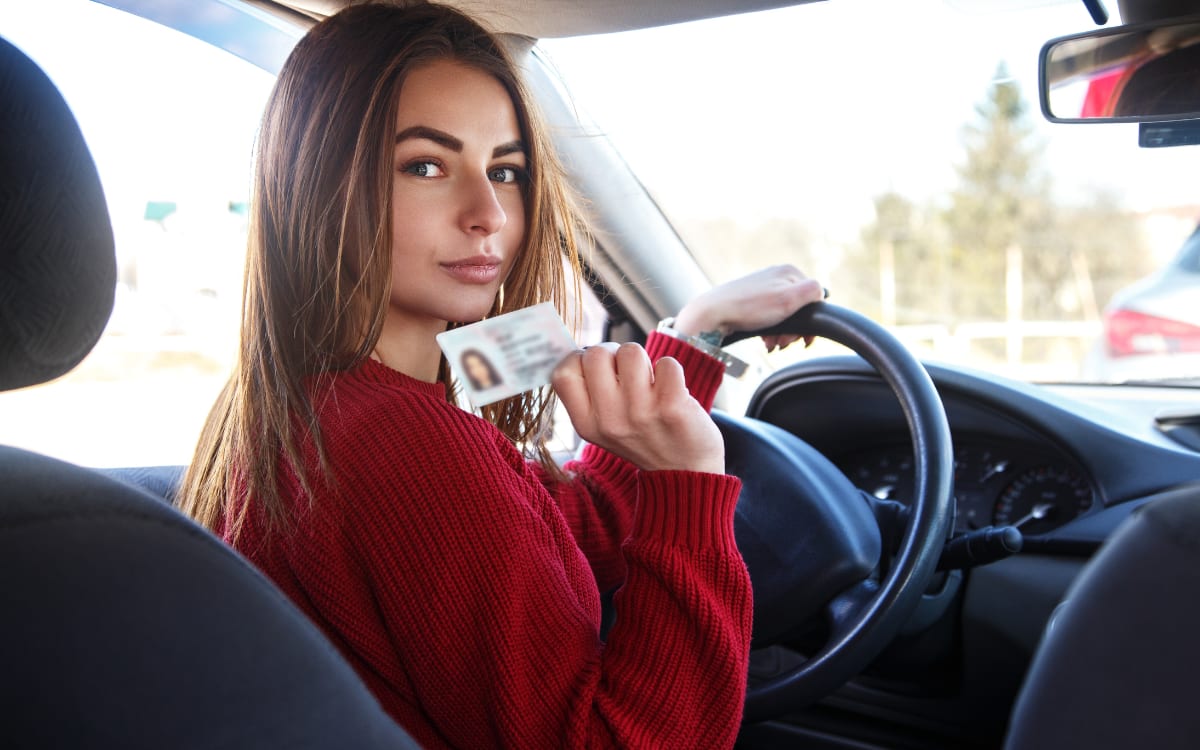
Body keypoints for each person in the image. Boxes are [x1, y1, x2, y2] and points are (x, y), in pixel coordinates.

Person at [178, 3, 824, 748]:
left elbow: (567, 526)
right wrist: (691, 479)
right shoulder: (408, 439)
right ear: (320, 184)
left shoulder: (325, 390)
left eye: (506, 170)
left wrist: (693, 333)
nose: (488, 212)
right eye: (425, 165)